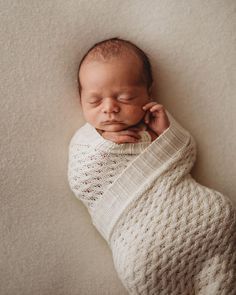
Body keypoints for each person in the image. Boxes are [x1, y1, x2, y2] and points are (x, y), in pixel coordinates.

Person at [68, 37, 236, 294]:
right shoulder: (85, 141)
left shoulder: (154, 125)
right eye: (94, 101)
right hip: (142, 244)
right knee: (143, 270)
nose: (110, 108)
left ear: (148, 93)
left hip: (201, 216)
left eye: (125, 97)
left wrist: (166, 134)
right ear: (80, 99)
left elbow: (187, 155)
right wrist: (105, 145)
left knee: (223, 214)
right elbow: (82, 181)